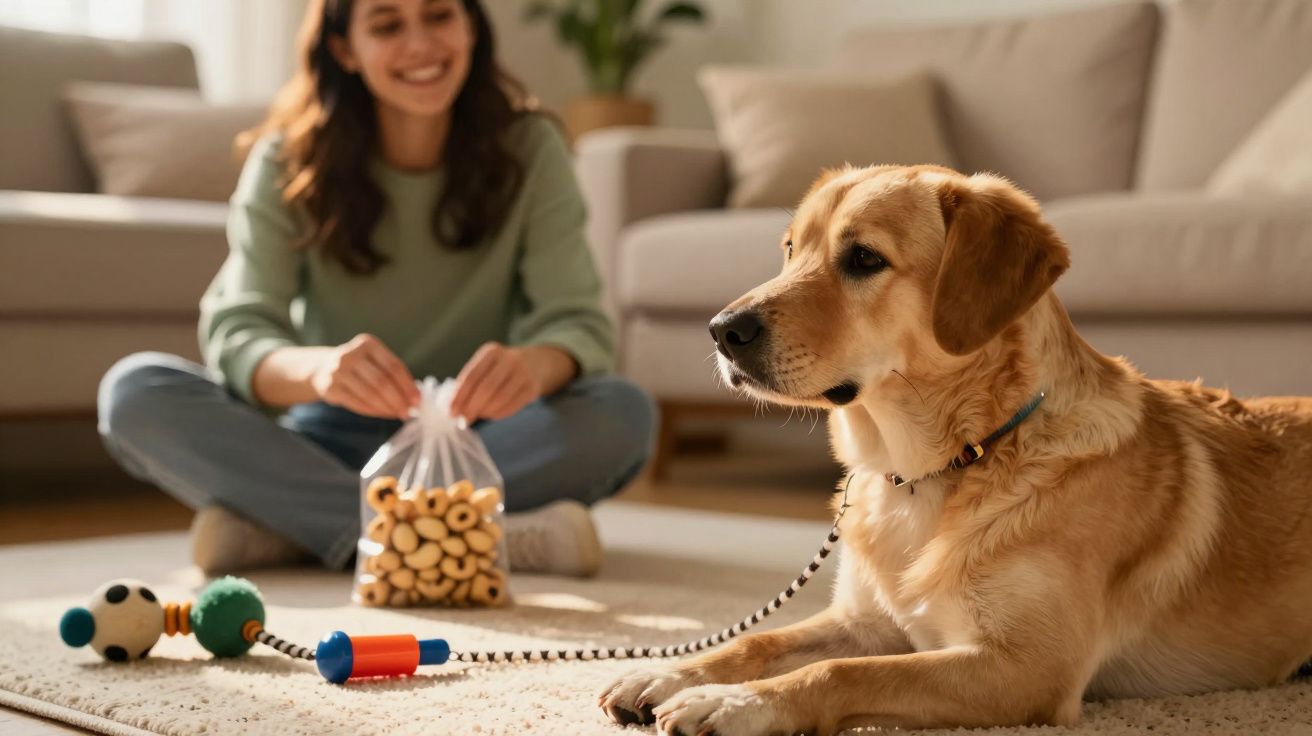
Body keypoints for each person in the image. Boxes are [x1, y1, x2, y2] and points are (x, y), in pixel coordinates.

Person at [96, 0, 655, 578]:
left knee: (623, 412)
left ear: (470, 26)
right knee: (134, 393)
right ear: (344, 49)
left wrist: (533, 367)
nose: (420, 46)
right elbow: (239, 332)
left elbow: (578, 324)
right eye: (387, 25)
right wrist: (320, 373)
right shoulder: (287, 158)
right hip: (324, 440)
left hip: (478, 440)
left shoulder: (532, 146)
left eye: (439, 16)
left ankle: (297, 529)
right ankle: (471, 535)